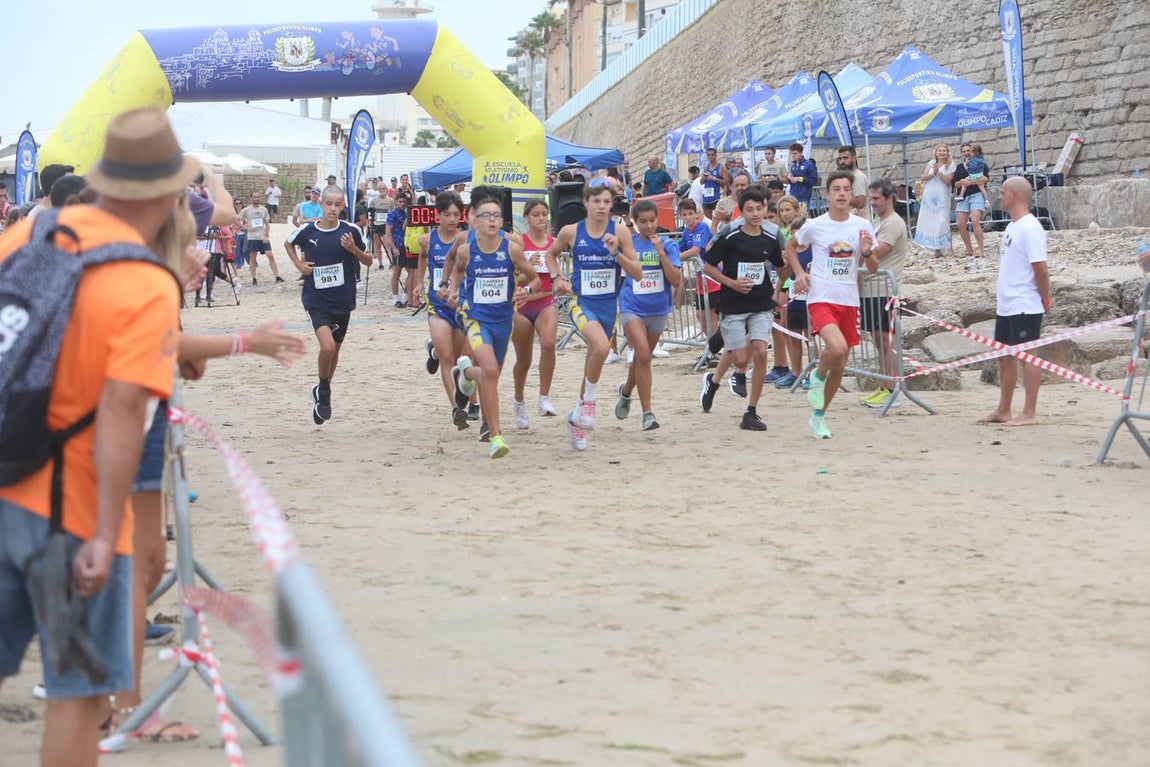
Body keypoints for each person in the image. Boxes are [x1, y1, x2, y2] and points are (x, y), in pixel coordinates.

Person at [0, 107, 189, 767]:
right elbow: (119, 407)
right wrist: (108, 535)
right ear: (166, 196)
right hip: (69, 513)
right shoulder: (145, 281)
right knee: (75, 695)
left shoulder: (27, 232)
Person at [546, 179, 643, 451]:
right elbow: (550, 255)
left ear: (612, 205)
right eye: (596, 201)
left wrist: (616, 254)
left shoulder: (620, 232)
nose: (601, 207)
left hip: (607, 305)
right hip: (581, 302)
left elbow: (636, 273)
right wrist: (556, 278)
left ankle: (576, 419)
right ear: (585, 203)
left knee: (595, 358)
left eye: (606, 202)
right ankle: (589, 403)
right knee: (601, 347)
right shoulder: (571, 231)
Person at [443, 188, 540, 458]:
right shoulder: (465, 249)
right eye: (486, 216)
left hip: (502, 320)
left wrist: (526, 292)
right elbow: (458, 270)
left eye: (497, 216)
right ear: (474, 219)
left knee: (490, 372)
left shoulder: (512, 249)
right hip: (475, 318)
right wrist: (453, 291)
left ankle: (464, 372)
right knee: (491, 370)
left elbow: (534, 279)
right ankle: (495, 435)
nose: (492, 221)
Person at [786, 171, 878, 439]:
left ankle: (819, 416)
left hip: (848, 299)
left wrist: (868, 251)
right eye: (836, 189)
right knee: (835, 348)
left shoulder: (862, 226)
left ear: (852, 195)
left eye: (846, 189)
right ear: (826, 194)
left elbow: (873, 267)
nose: (841, 194)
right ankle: (817, 374)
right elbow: (791, 247)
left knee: (841, 363)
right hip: (821, 297)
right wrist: (800, 273)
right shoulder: (816, 225)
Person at [698, 186, 789, 431]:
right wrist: (731, 283)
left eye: (760, 209)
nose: (756, 214)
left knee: (760, 351)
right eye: (750, 209)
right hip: (733, 303)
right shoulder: (731, 235)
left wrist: (782, 284)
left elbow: (782, 267)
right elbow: (706, 265)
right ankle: (713, 378)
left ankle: (751, 411)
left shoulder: (771, 236)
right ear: (742, 210)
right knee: (740, 358)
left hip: (761, 302)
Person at [284, 185, 373, 424]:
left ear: (343, 206)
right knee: (328, 347)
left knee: (335, 352)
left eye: (338, 204)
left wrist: (353, 249)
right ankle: (324, 390)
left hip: (343, 300)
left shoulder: (351, 230)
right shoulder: (307, 230)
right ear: (320, 204)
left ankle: (322, 389)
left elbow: (369, 261)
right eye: (329, 204)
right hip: (316, 299)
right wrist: (298, 265)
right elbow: (288, 243)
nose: (333, 209)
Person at [979, 176, 1051, 427]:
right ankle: (1004, 409)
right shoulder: (1011, 227)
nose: (1000, 196)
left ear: (1016, 196)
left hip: (1025, 302)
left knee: (1028, 355)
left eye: (1003, 192)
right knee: (1004, 356)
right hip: (1007, 303)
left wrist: (1045, 297)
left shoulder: (1030, 228)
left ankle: (1029, 412)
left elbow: (1040, 268)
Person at [614, 199, 682, 431]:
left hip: (658, 309)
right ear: (635, 221)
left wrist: (661, 251)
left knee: (643, 359)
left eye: (652, 220)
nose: (648, 226)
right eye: (642, 222)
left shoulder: (669, 245)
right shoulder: (629, 244)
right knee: (642, 354)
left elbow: (675, 280)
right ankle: (647, 413)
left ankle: (626, 391)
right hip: (631, 306)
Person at [417, 191, 472, 428]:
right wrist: (419, 282)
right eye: (447, 214)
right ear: (437, 215)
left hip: (460, 305)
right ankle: (456, 408)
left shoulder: (467, 241)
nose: (452, 219)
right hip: (437, 304)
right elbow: (421, 258)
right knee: (448, 356)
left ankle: (434, 352)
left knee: (460, 358)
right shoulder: (427, 240)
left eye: (456, 214)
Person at [858, 179, 909, 409]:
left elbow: (876, 252)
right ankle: (884, 384)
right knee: (879, 341)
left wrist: (863, 251)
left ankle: (892, 388)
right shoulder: (879, 222)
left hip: (884, 289)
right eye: (872, 198)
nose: (873, 203)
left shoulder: (893, 223)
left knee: (885, 341)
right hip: (872, 289)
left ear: (890, 198)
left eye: (877, 198)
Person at [510, 198, 560, 428]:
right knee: (524, 360)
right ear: (527, 217)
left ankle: (544, 397)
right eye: (536, 214)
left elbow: (556, 273)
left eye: (544, 214)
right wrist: (530, 271)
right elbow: (515, 276)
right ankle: (519, 400)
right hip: (521, 305)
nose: (541, 218)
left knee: (549, 343)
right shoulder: (519, 242)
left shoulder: (554, 243)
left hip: (545, 301)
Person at [775, 195, 810, 389]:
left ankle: (813, 373)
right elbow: (784, 273)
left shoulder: (812, 250)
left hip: (810, 298)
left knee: (809, 338)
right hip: (794, 297)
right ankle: (795, 372)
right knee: (793, 334)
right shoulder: (791, 251)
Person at [914, 143, 957, 257]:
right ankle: (936, 249)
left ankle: (949, 247)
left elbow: (948, 180)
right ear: (936, 153)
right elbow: (923, 177)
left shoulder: (951, 165)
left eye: (944, 150)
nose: (942, 152)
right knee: (932, 221)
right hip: (930, 195)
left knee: (943, 220)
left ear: (947, 152)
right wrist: (933, 172)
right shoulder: (932, 163)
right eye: (940, 150)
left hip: (942, 196)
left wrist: (939, 172)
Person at [238, 191, 284, 285]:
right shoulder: (246, 210)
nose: (256, 199)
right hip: (252, 238)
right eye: (254, 197)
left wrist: (266, 235)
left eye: (258, 197)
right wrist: (246, 228)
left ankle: (277, 276)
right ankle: (254, 279)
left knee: (270, 255)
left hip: (262, 237)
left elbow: (267, 223)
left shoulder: (264, 209)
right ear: (251, 198)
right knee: (252, 258)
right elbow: (236, 219)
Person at [953, 142, 989, 258]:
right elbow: (955, 184)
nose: (966, 153)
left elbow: (986, 178)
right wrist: (961, 182)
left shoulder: (979, 162)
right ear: (961, 153)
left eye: (968, 150)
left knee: (975, 221)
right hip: (963, 197)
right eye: (964, 151)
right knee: (961, 224)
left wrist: (971, 182)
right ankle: (969, 249)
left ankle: (981, 249)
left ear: (972, 151)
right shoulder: (959, 167)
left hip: (976, 194)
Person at [385, 192, 411, 307]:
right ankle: (395, 298)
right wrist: (393, 248)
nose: (402, 204)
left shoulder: (407, 213)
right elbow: (388, 232)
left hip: (407, 245)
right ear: (396, 202)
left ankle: (405, 296)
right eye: (400, 202)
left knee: (411, 272)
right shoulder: (392, 214)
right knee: (397, 273)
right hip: (398, 245)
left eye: (404, 202)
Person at [836, 145, 869, 219]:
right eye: (840, 159)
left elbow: (860, 202)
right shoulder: (849, 176)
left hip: (858, 225)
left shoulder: (857, 177)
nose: (842, 162)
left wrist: (840, 196)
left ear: (854, 158)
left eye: (845, 158)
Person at [786, 142, 818, 213]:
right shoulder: (793, 166)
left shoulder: (809, 165)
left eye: (795, 153)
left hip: (804, 198)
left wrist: (800, 179)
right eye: (792, 154)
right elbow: (792, 183)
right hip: (793, 198)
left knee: (802, 219)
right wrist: (789, 178)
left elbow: (814, 181)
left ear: (801, 153)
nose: (793, 156)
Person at [368, 188, 393, 269]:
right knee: (377, 244)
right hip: (376, 223)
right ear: (378, 190)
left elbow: (393, 212)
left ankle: (391, 262)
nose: (382, 190)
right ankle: (380, 263)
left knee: (387, 244)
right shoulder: (374, 200)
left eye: (383, 188)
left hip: (385, 224)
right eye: (380, 188)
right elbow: (370, 212)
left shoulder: (390, 200)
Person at [700, 147, 728, 216]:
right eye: (708, 155)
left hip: (717, 197)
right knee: (708, 220)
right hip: (706, 198)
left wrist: (714, 178)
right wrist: (704, 178)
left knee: (717, 219)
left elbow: (726, 182)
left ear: (715, 155)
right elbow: (701, 182)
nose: (710, 156)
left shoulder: (721, 167)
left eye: (712, 154)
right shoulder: (706, 167)